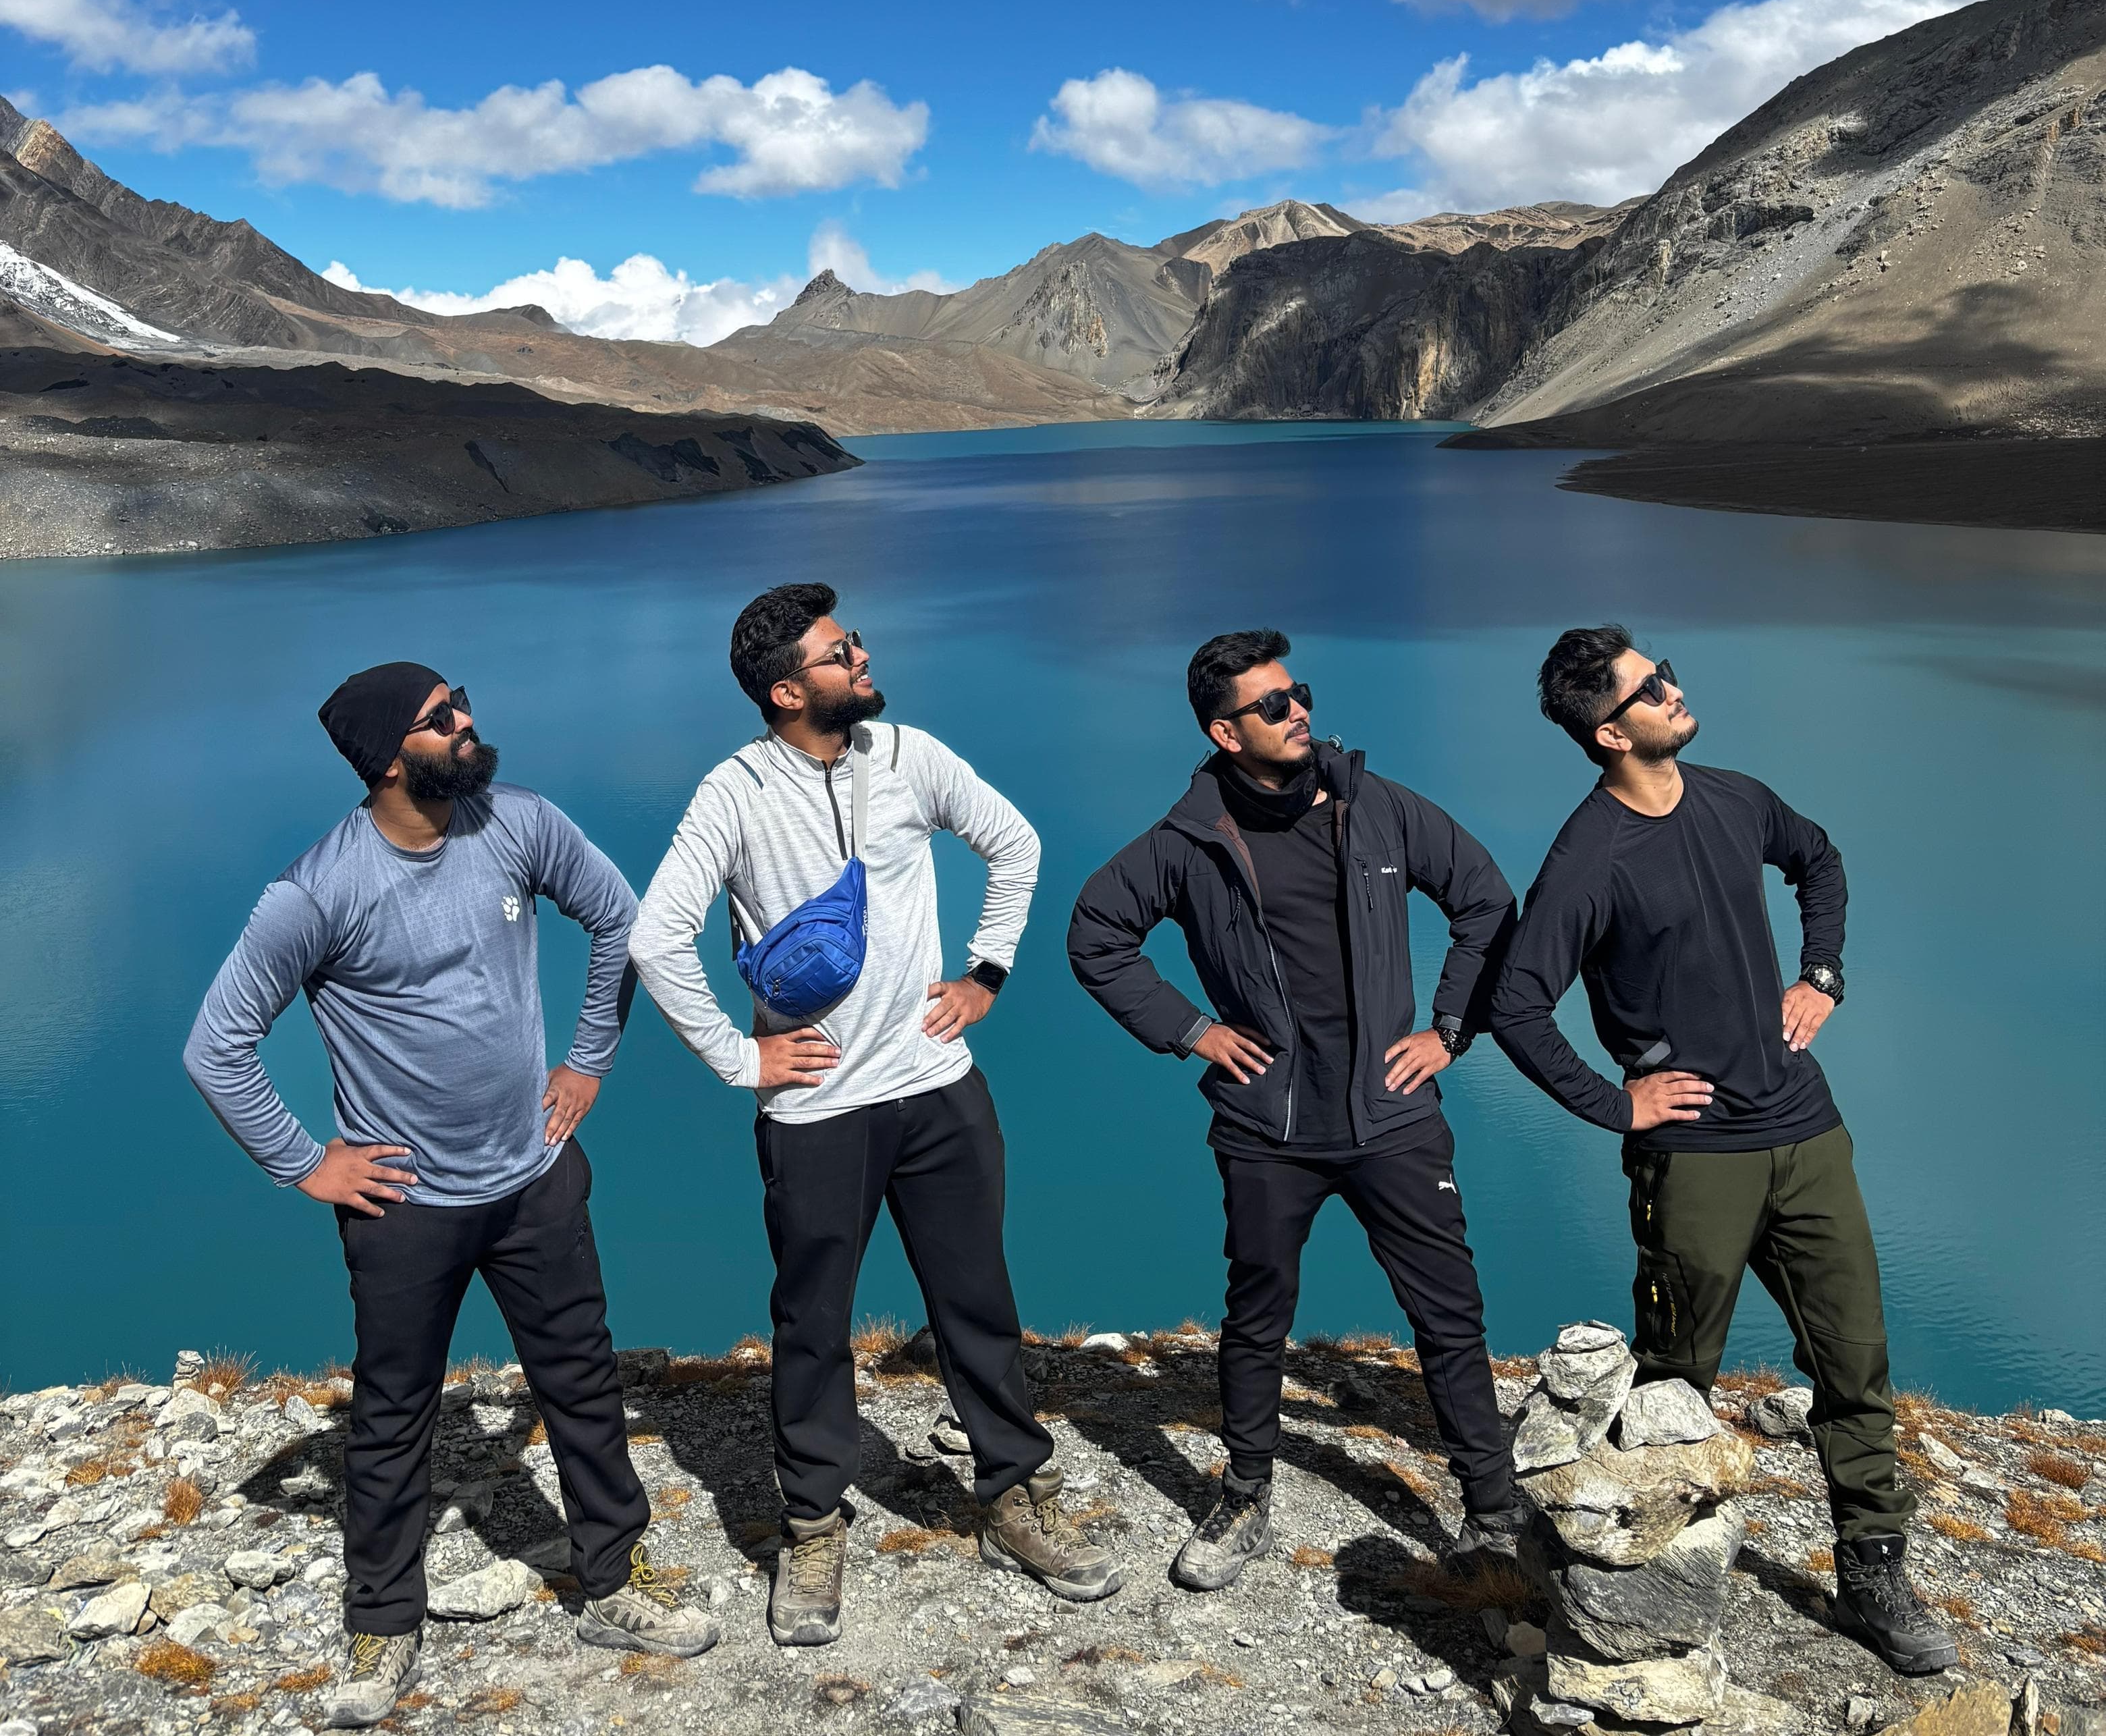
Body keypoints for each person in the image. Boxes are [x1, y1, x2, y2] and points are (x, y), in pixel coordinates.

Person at [184, 663, 716, 1729]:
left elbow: (625, 924)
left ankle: (612, 1583)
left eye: (462, 702)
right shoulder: (315, 892)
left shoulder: (515, 822)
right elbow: (216, 1047)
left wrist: (588, 1060)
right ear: (390, 758)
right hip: (404, 1209)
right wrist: (307, 1163)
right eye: (443, 719)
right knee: (392, 1415)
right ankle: (383, 1623)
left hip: (535, 1180)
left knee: (581, 1383)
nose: (469, 723)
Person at [628, 584, 1118, 1648]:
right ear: (786, 689)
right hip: (818, 1110)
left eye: (853, 641)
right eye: (838, 649)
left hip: (939, 1086)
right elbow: (655, 940)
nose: (862, 654)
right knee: (815, 1323)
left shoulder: (907, 757)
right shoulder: (734, 794)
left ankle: (1011, 1500)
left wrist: (986, 973)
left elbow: (1016, 844)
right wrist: (737, 1055)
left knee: (977, 1301)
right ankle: (812, 1524)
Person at [1492, 628, 1956, 1677]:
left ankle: (1874, 1573)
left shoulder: (1736, 798)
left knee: (1855, 1361)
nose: (1674, 688)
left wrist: (1822, 977)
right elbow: (1517, 1005)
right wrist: (1617, 1105)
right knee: (1676, 1381)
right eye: (1650, 688)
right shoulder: (1587, 859)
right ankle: (1642, 1570)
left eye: (1665, 672)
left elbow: (1819, 860)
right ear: (1610, 733)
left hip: (1806, 1131)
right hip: (1695, 1160)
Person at [1066, 628, 1526, 1594]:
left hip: (1394, 1114)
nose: (1300, 711)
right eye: (1272, 705)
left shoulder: (1377, 807)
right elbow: (1096, 934)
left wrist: (1450, 1027)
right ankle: (1243, 1496)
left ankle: (1493, 1509)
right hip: (1269, 1128)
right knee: (1258, 1314)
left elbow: (1485, 901)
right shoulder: (1188, 842)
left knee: (1449, 1314)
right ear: (1224, 733)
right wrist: (1192, 1030)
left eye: (1299, 692)